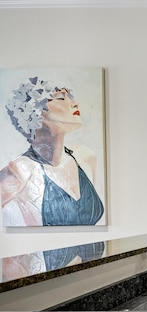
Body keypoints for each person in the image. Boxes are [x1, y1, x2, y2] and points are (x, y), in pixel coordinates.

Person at [0, 76, 104, 226]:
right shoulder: (20, 169)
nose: (74, 104)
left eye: (71, 97)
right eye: (61, 98)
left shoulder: (85, 157)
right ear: (34, 110)